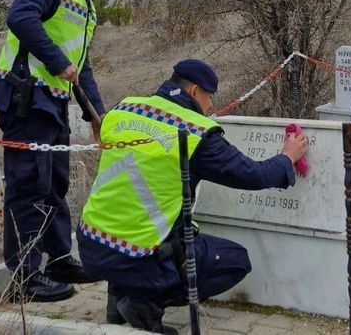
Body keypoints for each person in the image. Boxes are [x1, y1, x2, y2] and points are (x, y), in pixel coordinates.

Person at [76, 59, 309, 334]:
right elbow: (251, 175)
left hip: (91, 244)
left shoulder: (125, 108)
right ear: (195, 92)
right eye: (210, 98)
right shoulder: (195, 132)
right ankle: (146, 303)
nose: (210, 106)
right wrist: (286, 157)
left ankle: (119, 298)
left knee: (135, 224)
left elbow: (107, 135)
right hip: (140, 255)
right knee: (235, 261)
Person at [0, 0, 123, 302]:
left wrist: (97, 115)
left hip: (54, 104)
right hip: (25, 97)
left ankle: (59, 260)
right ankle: (25, 278)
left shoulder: (87, 6)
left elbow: (81, 66)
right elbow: (20, 18)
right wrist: (56, 61)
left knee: (55, 184)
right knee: (28, 185)